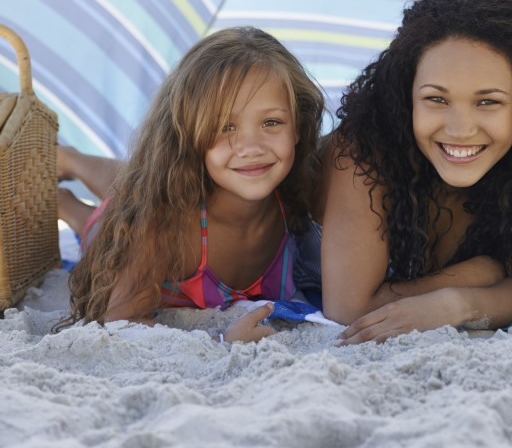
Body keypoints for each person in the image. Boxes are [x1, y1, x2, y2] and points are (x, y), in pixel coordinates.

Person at [319, 0, 512, 343]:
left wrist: (458, 305)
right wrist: (485, 271)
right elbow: (348, 311)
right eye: (436, 99)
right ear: (406, 96)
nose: (460, 130)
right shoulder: (364, 151)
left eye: (487, 102)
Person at [55, 27, 325, 343]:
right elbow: (120, 322)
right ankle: (67, 198)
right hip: (140, 218)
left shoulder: (294, 192)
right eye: (226, 126)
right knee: (113, 211)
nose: (252, 147)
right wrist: (220, 340)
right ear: (188, 136)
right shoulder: (162, 226)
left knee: (136, 181)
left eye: (272, 122)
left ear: (298, 127)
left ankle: (72, 166)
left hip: (167, 191)